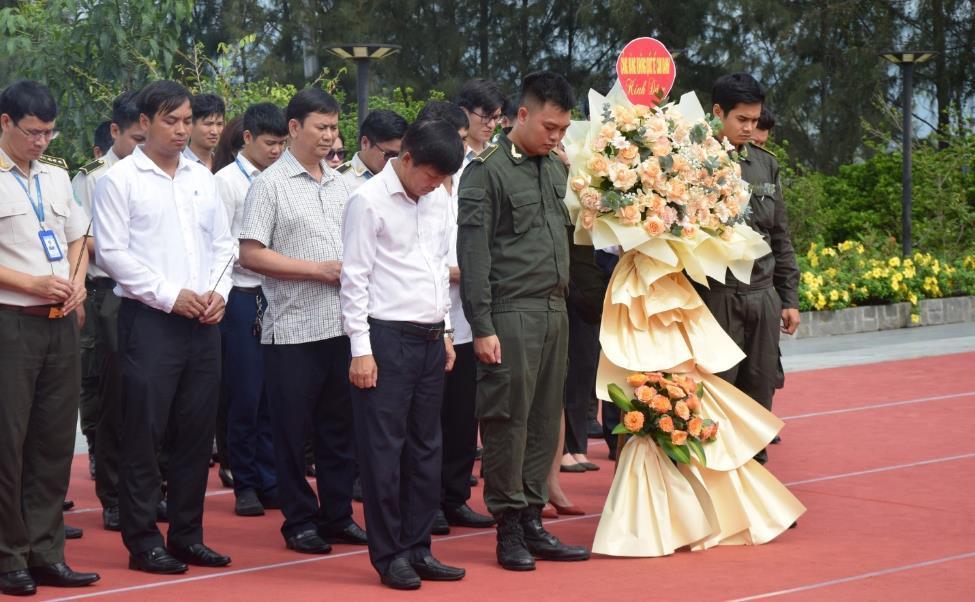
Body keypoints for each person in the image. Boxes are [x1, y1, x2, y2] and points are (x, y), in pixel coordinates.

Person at [93, 80, 235, 574]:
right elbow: (112, 255)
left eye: (186, 120)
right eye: (170, 121)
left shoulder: (201, 178)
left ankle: (187, 535)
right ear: (145, 123)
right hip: (150, 321)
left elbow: (224, 244)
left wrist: (219, 292)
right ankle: (143, 540)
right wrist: (171, 296)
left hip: (205, 320)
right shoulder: (119, 180)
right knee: (144, 434)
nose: (181, 130)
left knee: (196, 433)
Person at [457, 71, 590, 571]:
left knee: (542, 419)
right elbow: (473, 257)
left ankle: (534, 518)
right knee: (506, 420)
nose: (557, 137)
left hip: (555, 309)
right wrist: (483, 325)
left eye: (564, 129)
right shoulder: (487, 171)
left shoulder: (556, 170)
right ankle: (508, 525)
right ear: (523, 115)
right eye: (550, 127)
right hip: (510, 312)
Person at [239, 88, 367, 556]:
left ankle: (337, 516)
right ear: (294, 128)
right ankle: (298, 521)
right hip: (291, 329)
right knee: (293, 433)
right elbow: (250, 253)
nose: (331, 137)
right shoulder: (268, 184)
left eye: (335, 127)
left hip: (343, 326)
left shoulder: (346, 185)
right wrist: (318, 271)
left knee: (340, 430)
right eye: (322, 128)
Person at [341, 119, 466, 591]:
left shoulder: (438, 198)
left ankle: (419, 547)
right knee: (383, 452)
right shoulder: (367, 201)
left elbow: (438, 267)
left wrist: (449, 330)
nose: (434, 185)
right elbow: (354, 278)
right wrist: (360, 349)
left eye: (442, 179)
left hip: (433, 336)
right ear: (406, 158)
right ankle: (389, 553)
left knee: (427, 448)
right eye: (430, 175)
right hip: (385, 338)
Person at [0, 79, 100, 596]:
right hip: (11, 319)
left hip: (61, 319)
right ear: (5, 123)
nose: (41, 142)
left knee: (54, 441)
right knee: (8, 443)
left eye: (49, 133)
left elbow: (79, 236)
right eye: (33, 132)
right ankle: (9, 556)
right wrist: (30, 282)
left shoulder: (56, 179)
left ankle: (47, 551)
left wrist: (78, 282)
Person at [694, 73, 800, 464]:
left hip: (763, 296)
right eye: (742, 120)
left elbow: (781, 236)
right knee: (716, 398)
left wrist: (789, 298)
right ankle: (719, 495)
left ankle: (756, 499)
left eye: (755, 121)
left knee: (759, 396)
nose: (751, 129)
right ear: (718, 112)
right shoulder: (692, 161)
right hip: (715, 297)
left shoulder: (764, 165)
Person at [414, 100, 495, 536]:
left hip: (464, 317)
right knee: (428, 420)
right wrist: (453, 271)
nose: (462, 150)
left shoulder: (470, 177)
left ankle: (455, 495)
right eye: (457, 140)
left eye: (465, 141)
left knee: (464, 416)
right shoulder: (417, 187)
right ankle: (426, 504)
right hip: (422, 317)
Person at [71, 90, 146, 533]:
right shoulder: (95, 177)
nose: (143, 144)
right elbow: (83, 239)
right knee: (113, 395)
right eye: (135, 137)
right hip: (111, 293)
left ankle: (149, 489)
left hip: (161, 296)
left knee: (154, 400)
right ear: (115, 131)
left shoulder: (174, 173)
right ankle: (115, 495)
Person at [214, 102, 288, 517]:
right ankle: (245, 480)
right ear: (247, 139)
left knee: (272, 394)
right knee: (245, 392)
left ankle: (271, 477)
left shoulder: (282, 180)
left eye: (282, 143)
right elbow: (223, 244)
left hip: (278, 291)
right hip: (242, 293)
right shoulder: (225, 182)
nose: (277, 151)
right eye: (269, 143)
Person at [338, 109, 408, 189]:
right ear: (365, 143)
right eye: (389, 155)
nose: (394, 161)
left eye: (399, 156)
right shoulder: (339, 180)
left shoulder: (405, 179)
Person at [456, 79, 505, 160]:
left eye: (496, 117)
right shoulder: (450, 157)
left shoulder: (500, 156)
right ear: (464, 112)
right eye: (485, 116)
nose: (492, 125)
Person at [184, 93, 225, 171]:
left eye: (219, 124)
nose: (215, 131)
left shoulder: (223, 166)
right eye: (208, 124)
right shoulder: (179, 165)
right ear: (191, 124)